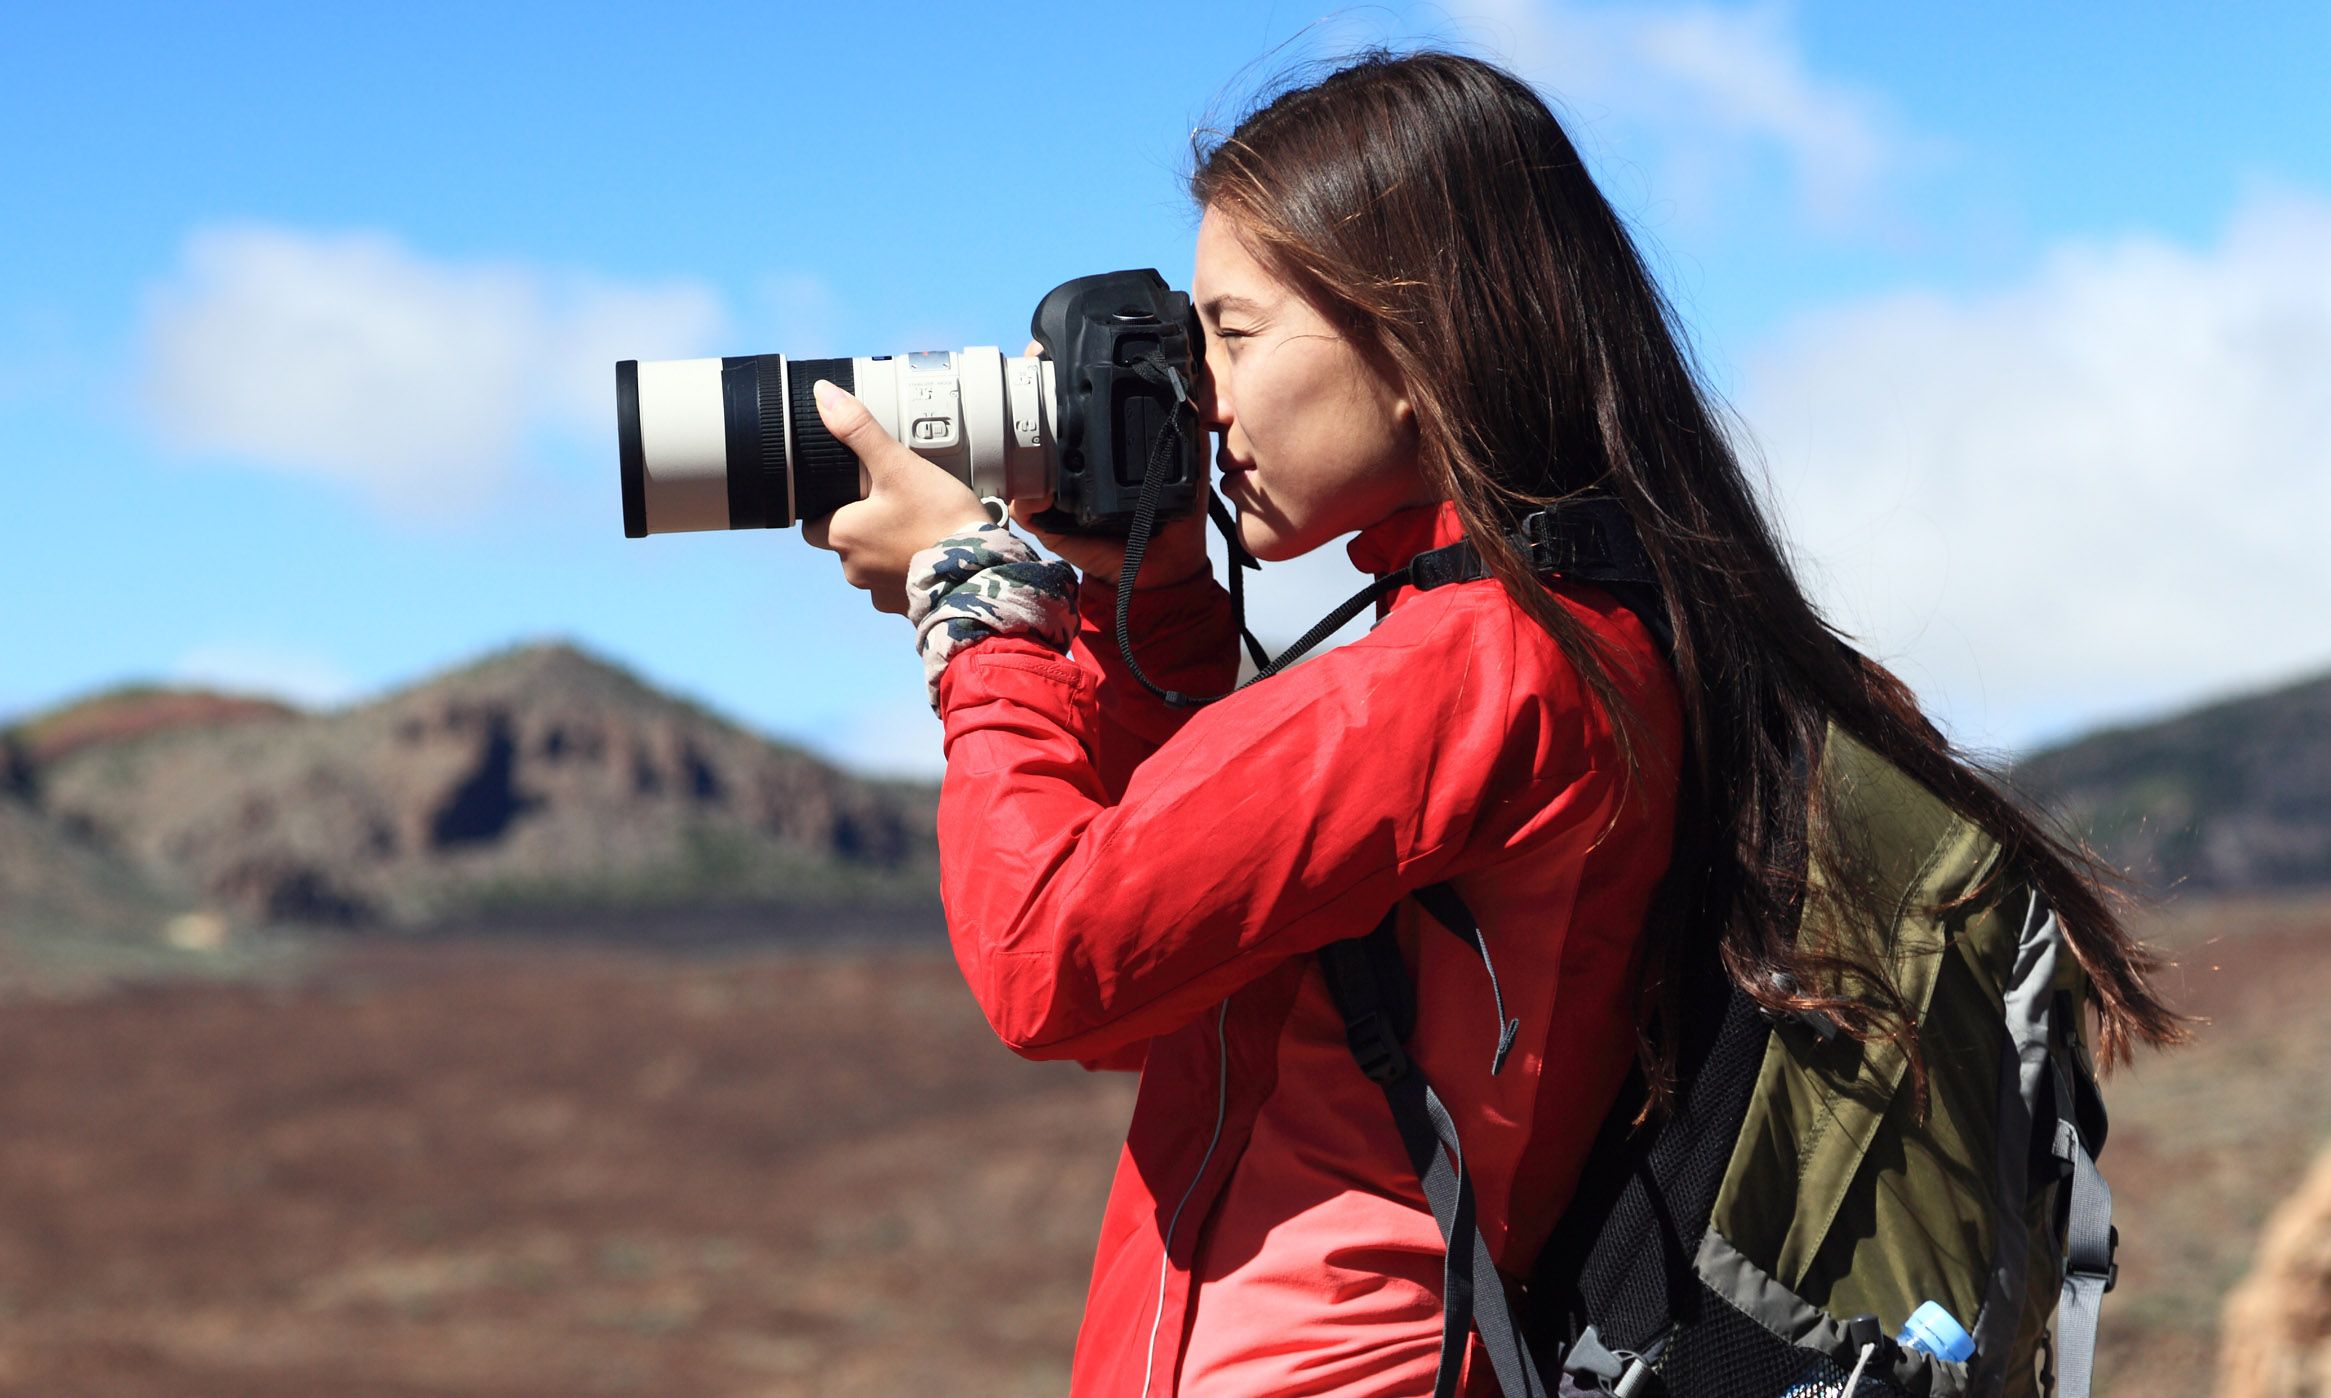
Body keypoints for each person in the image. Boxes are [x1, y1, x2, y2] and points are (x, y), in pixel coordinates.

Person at [802, 50, 2183, 1398]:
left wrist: (981, 614)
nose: (1202, 397)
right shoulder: (1567, 634)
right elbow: (1174, 975)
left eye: (1231, 333)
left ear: (1415, 340)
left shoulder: (1479, 668)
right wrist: (1153, 600)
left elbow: (1055, 963)